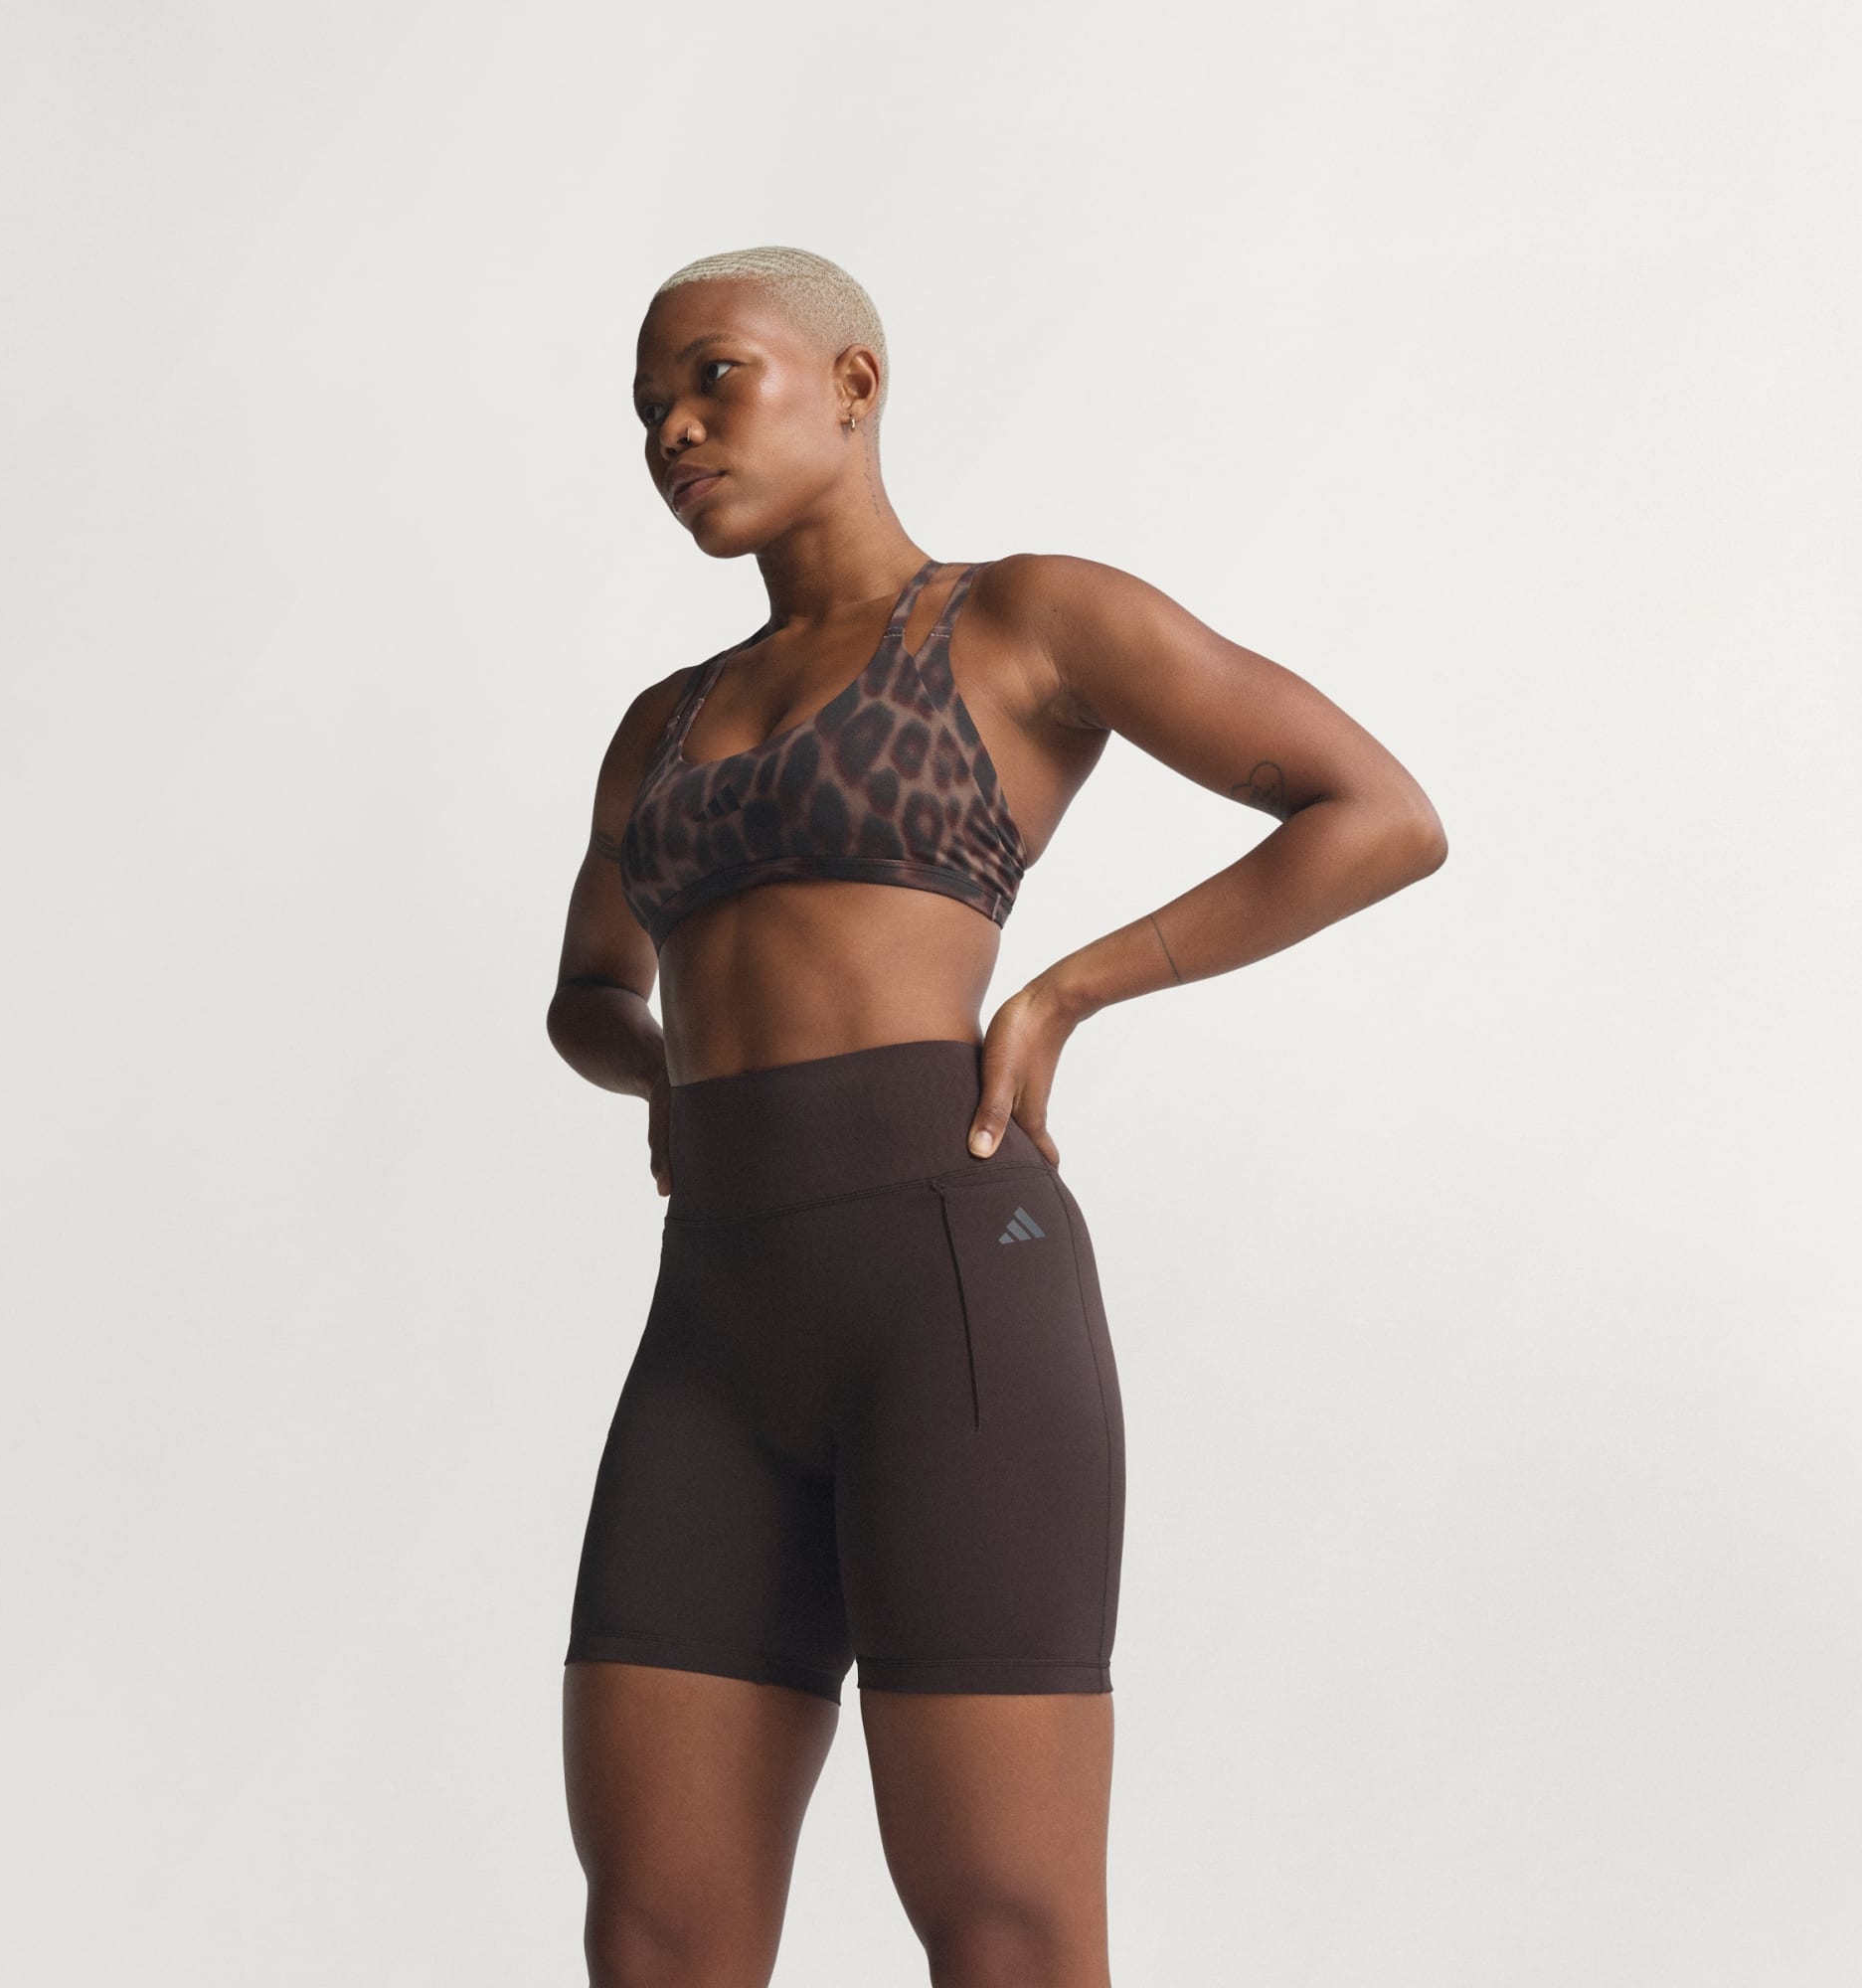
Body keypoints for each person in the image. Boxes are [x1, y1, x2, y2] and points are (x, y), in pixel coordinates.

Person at [548, 243, 1447, 1988]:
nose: (674, 430)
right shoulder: (659, 726)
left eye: (713, 378)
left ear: (853, 382)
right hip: (714, 1325)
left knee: (1004, 1927)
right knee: (652, 1937)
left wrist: (1066, 993)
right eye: (647, 408)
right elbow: (590, 986)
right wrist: (662, 1076)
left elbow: (1378, 815)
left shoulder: (1021, 618)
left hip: (947, 1287)